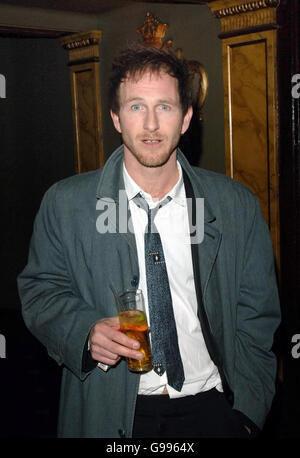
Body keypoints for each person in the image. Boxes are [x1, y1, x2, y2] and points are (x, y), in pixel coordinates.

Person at [18, 44, 280, 438]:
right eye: (137, 106)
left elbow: (257, 318)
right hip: (109, 409)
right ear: (116, 118)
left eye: (166, 107)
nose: (152, 125)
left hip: (213, 409)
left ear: (186, 118)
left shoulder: (235, 205)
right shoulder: (65, 203)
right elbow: (40, 291)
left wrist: (247, 414)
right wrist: (84, 331)